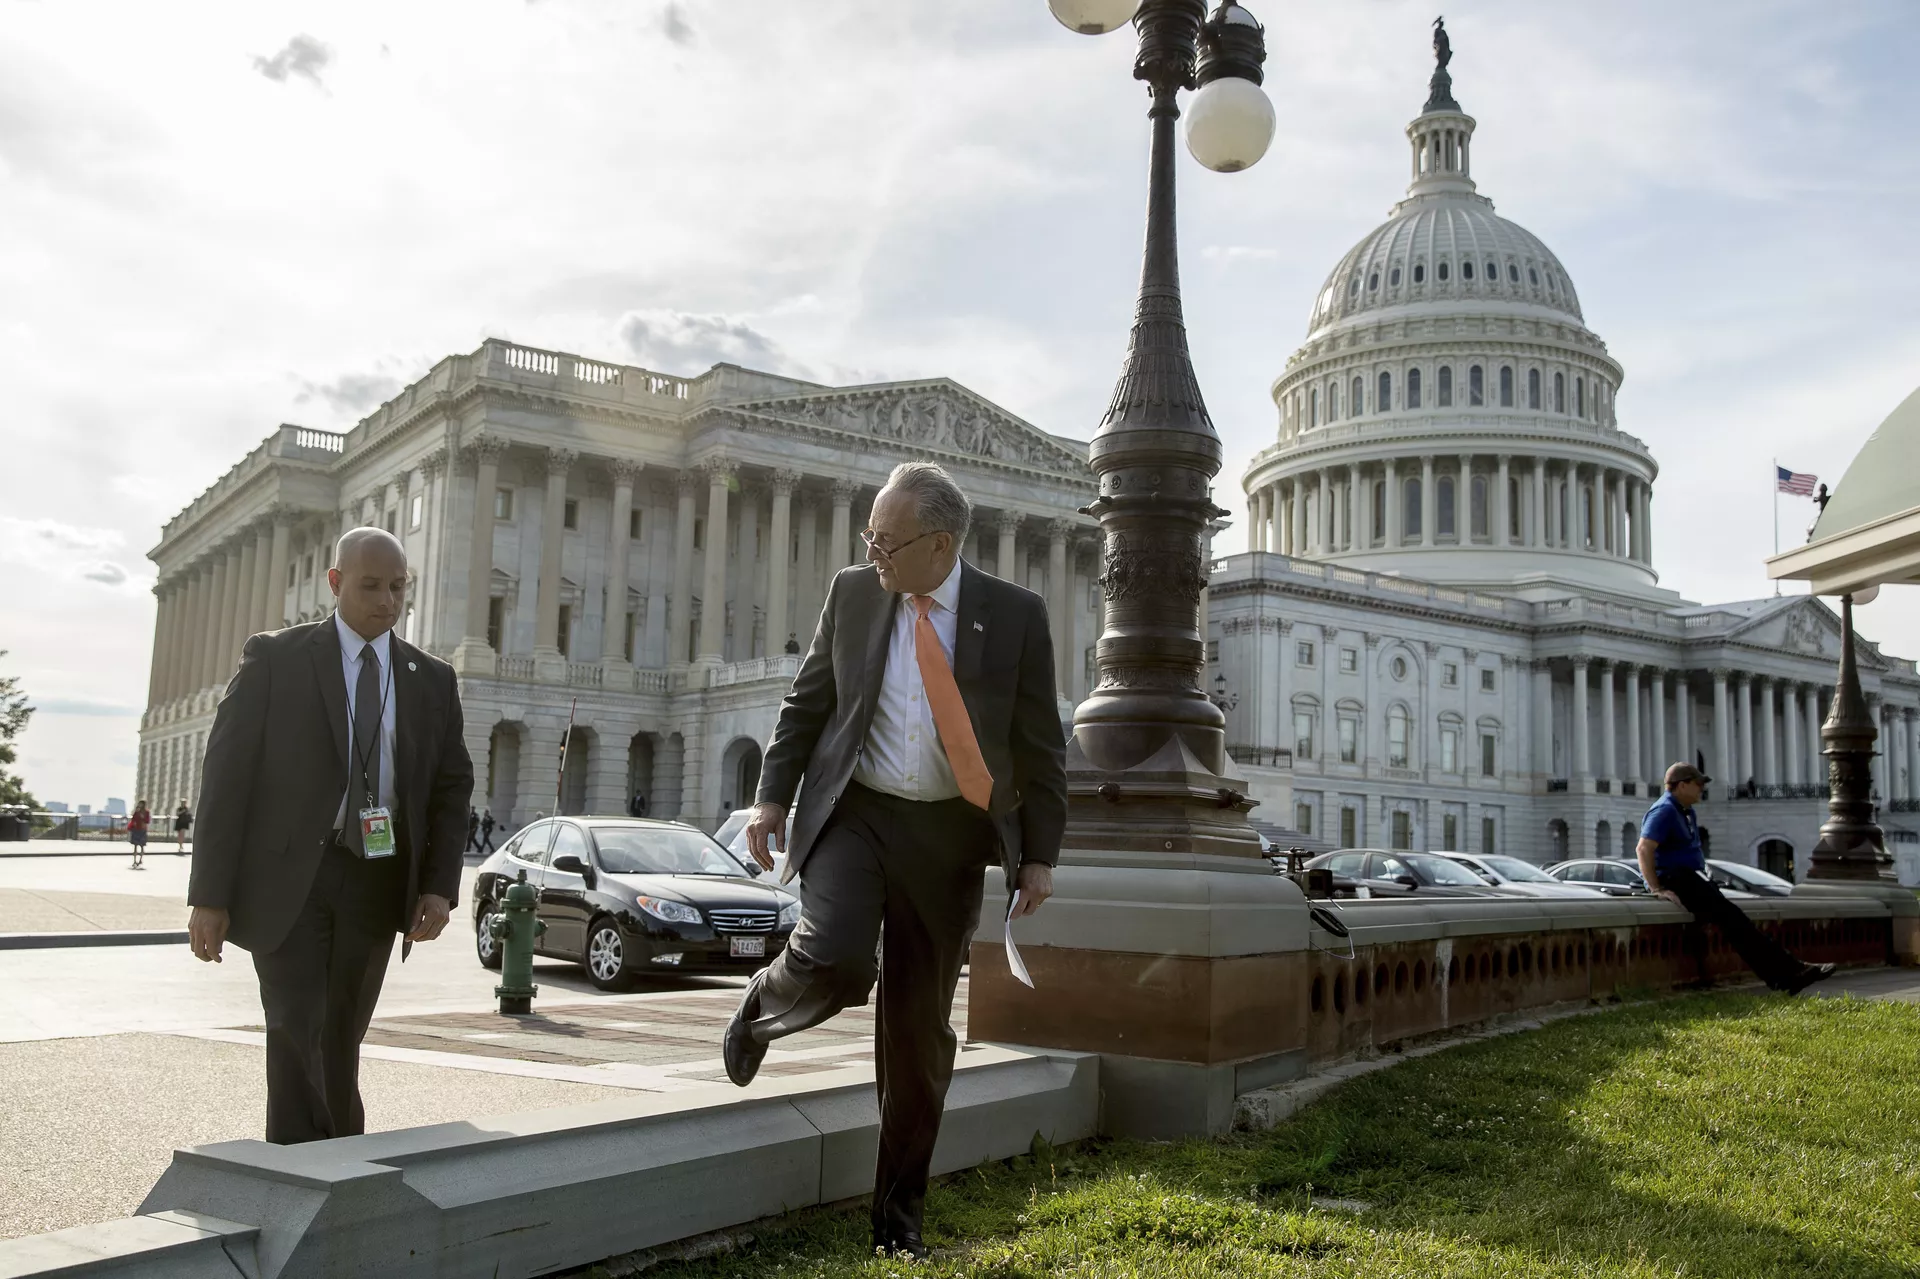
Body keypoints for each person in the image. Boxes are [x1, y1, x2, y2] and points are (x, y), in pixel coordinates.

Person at [728, 461, 1067, 1261]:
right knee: (838, 960)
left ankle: (897, 1223)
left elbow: (1039, 743)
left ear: (940, 544)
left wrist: (1040, 856)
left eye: (886, 539)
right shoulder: (853, 593)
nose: (871, 550)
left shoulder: (1015, 615)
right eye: (869, 536)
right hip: (859, 811)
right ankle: (761, 1004)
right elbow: (809, 700)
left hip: (950, 833)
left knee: (920, 1035)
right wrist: (772, 797)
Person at [188, 526, 473, 1144]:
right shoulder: (275, 658)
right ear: (336, 583)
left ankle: (331, 1163)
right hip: (291, 876)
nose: (388, 601)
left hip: (378, 876)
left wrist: (439, 888)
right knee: (295, 1022)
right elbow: (226, 778)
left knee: (342, 1029)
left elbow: (452, 791)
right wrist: (209, 896)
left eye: (398, 587)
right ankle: (313, 1162)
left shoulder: (432, 678)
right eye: (372, 586)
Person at [1637, 763, 1833, 995]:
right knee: (1737, 923)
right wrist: (1656, 888)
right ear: (1682, 785)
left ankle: (1786, 977)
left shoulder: (1685, 811)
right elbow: (1644, 848)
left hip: (1692, 878)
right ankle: (1790, 973)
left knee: (1736, 924)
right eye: (1698, 784)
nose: (1702, 789)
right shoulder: (1664, 810)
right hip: (1677, 879)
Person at [128, 799, 151, 870]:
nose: (140, 805)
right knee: (135, 845)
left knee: (142, 846)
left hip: (142, 830)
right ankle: (134, 860)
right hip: (136, 829)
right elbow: (133, 819)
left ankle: (140, 859)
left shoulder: (146, 812)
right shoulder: (137, 811)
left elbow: (147, 821)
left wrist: (142, 816)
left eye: (141, 804)